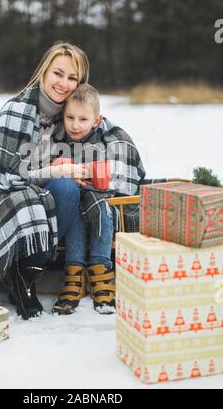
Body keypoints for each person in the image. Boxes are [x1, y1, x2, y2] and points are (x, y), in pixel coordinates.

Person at [0, 42, 90, 320]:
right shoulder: (18, 110)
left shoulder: (69, 115)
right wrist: (57, 170)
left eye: (72, 78)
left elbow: (108, 134)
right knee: (41, 195)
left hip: (35, 187)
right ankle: (12, 269)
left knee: (68, 189)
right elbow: (4, 175)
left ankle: (25, 273)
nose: (63, 84)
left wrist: (100, 132)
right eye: (58, 74)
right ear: (44, 72)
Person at [25, 83, 146, 315]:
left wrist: (87, 173)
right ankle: (73, 273)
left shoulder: (106, 140)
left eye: (82, 119)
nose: (75, 125)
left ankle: (102, 271)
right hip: (74, 202)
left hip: (101, 199)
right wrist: (59, 167)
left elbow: (119, 176)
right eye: (70, 117)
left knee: (101, 209)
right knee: (76, 215)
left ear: (96, 120)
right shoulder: (59, 140)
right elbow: (45, 169)